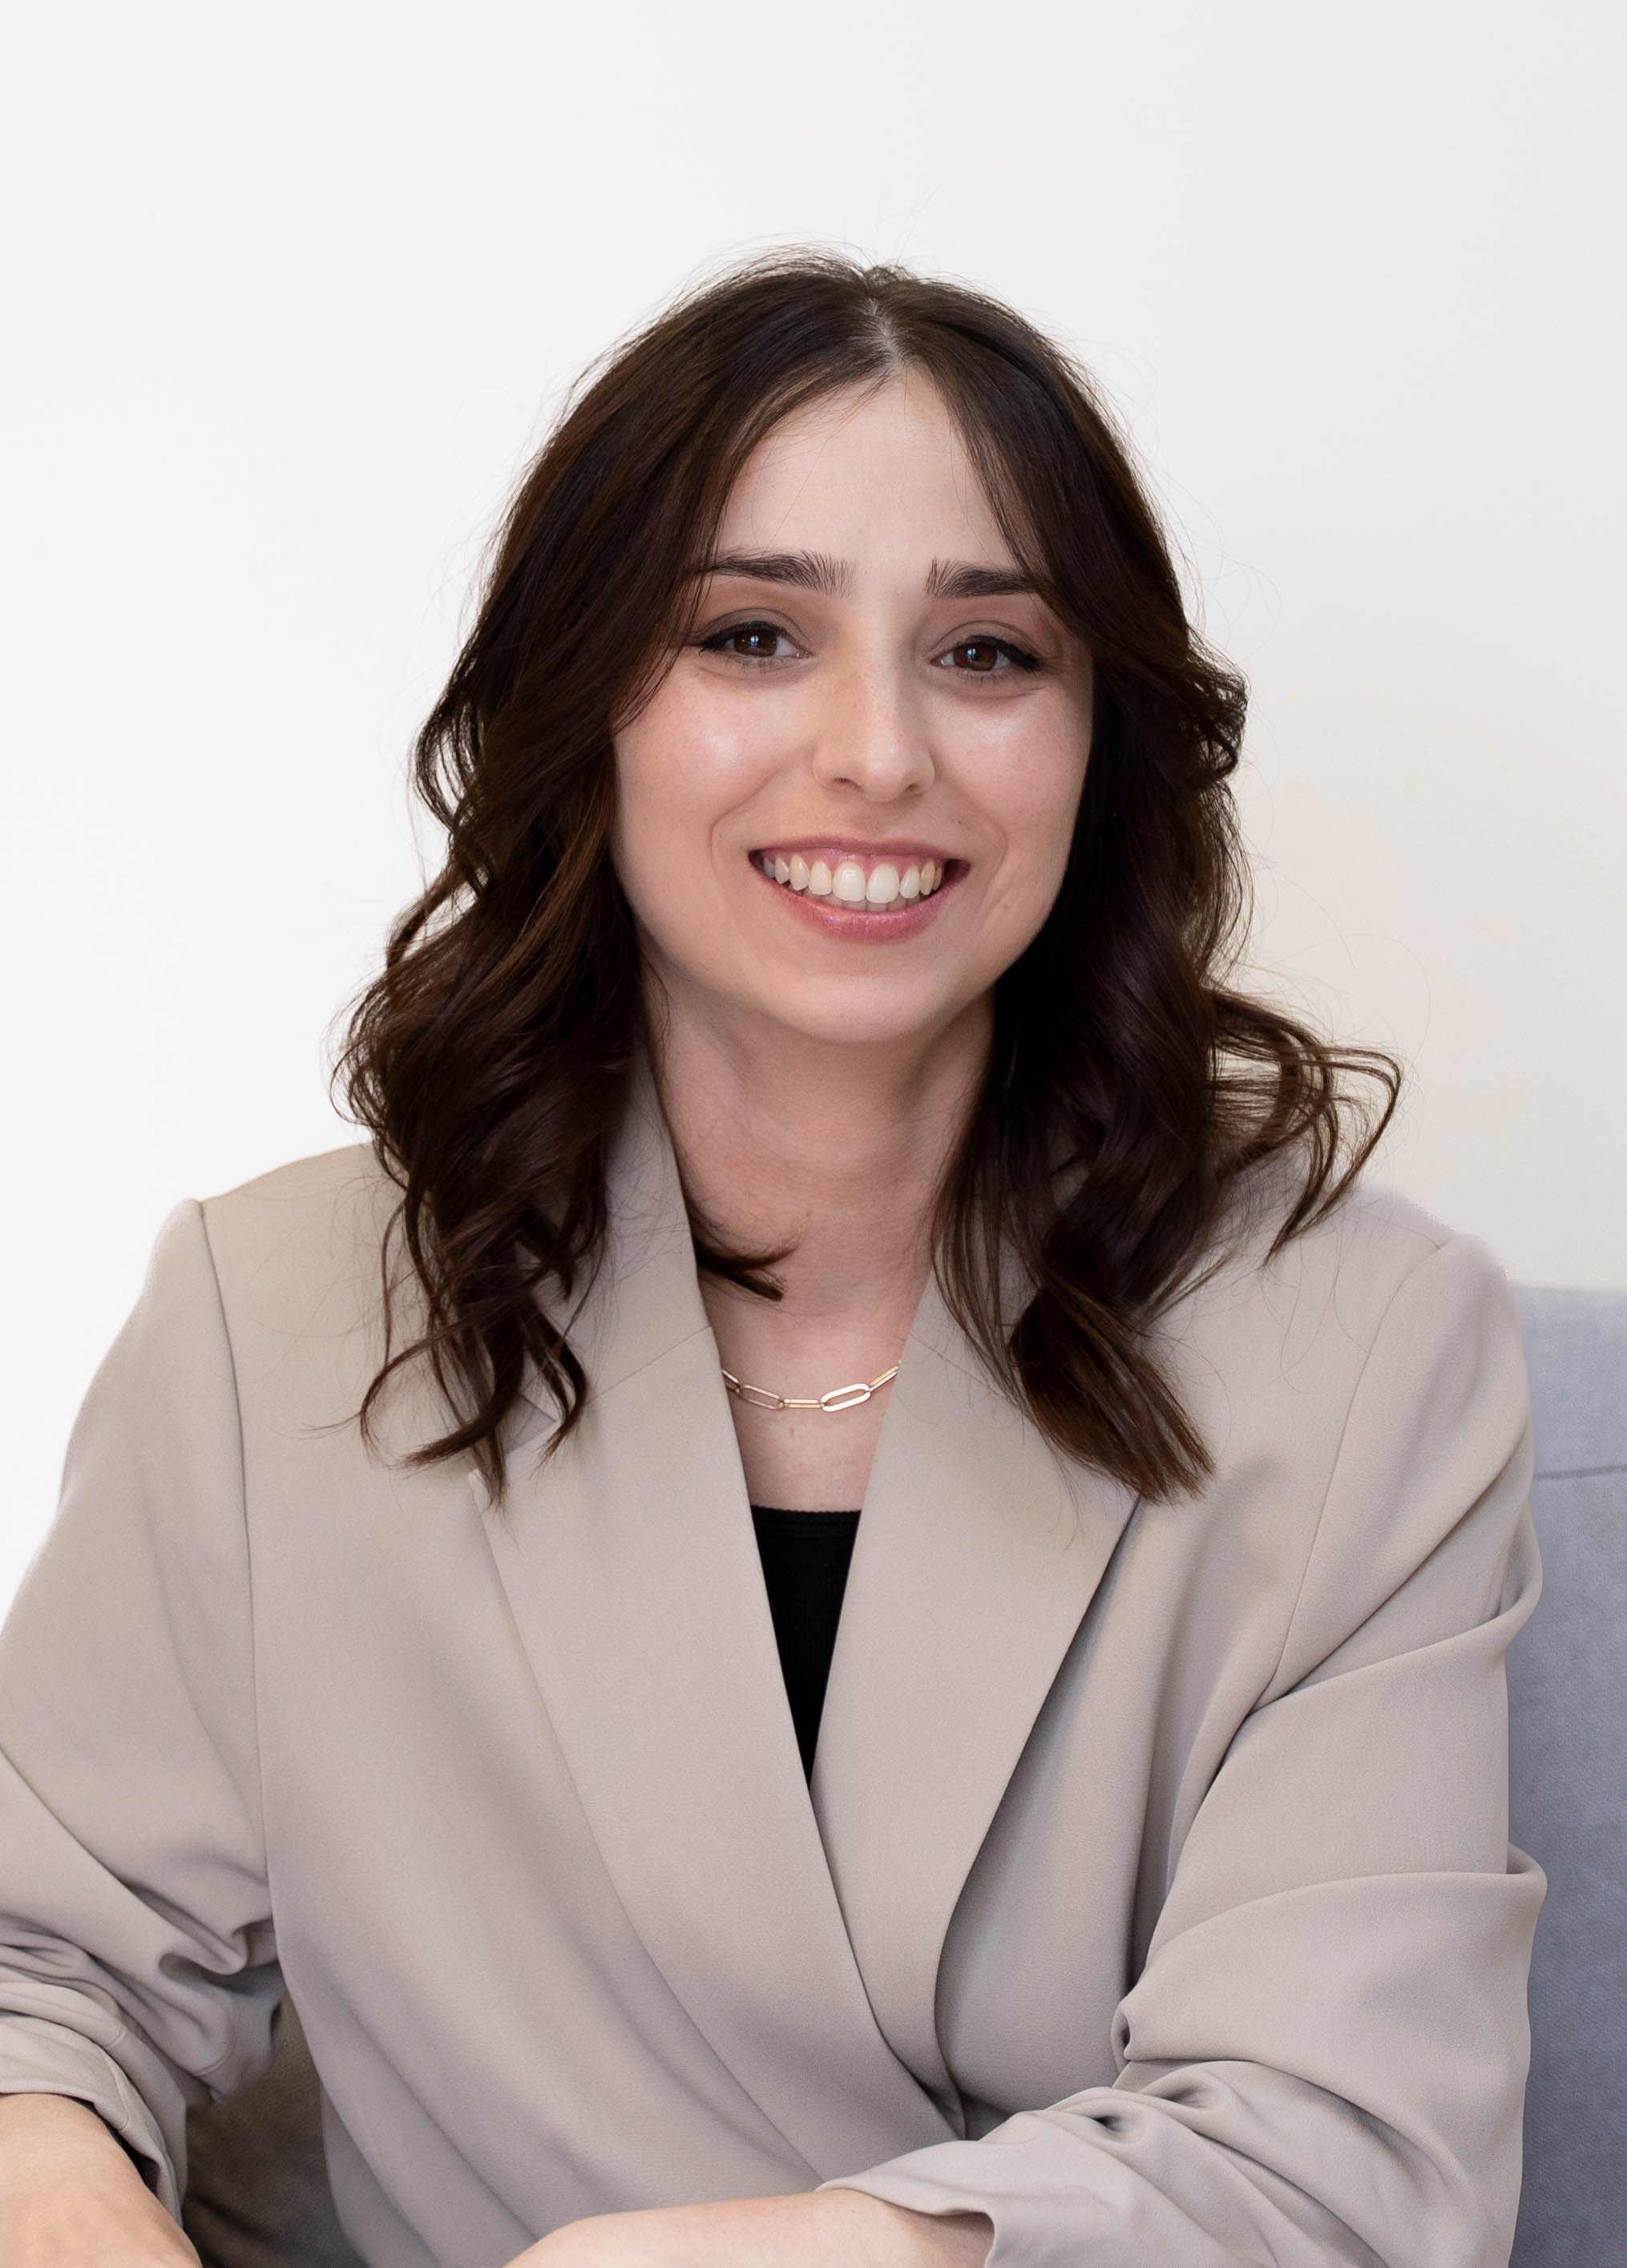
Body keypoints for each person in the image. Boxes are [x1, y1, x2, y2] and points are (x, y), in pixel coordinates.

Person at [0, 254, 1543, 2268]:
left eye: (988, 653)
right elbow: (44, 1964)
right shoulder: (269, 1313)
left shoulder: (1360, 1346)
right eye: (750, 633)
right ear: (588, 716)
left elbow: (1347, 2154)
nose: (876, 751)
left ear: (1102, 743)